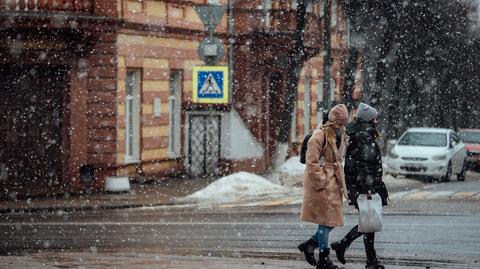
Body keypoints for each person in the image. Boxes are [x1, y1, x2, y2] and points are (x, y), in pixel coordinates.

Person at [330, 103, 389, 269]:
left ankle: (369, 259)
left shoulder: (361, 132)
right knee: (369, 221)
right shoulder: (364, 135)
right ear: (369, 119)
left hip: (361, 184)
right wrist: (368, 187)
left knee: (369, 221)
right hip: (364, 185)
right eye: (374, 118)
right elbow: (363, 164)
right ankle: (347, 247)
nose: (376, 120)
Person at [298, 104, 349, 269]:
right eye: (340, 123)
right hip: (323, 183)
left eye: (344, 123)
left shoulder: (338, 134)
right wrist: (321, 180)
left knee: (331, 220)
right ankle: (324, 258)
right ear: (332, 121)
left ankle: (310, 245)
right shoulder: (319, 135)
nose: (342, 127)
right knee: (325, 221)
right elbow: (311, 162)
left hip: (333, 181)